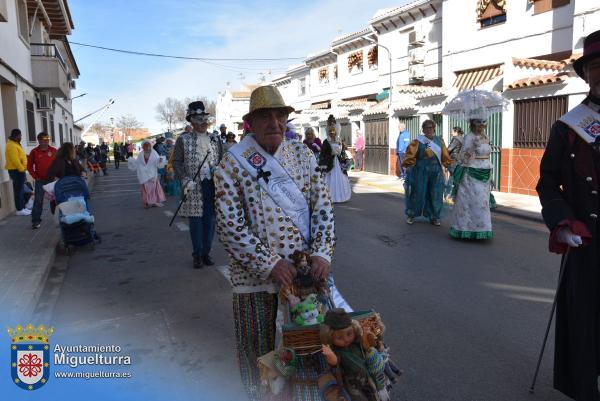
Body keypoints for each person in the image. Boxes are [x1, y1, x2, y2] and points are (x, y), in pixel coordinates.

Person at [214, 85, 334, 401]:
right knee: (257, 352)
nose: (275, 123)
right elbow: (229, 227)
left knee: (310, 349)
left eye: (280, 115)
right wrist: (270, 264)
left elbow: (322, 207)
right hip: (253, 280)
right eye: (265, 116)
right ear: (250, 123)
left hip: (304, 276)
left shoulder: (302, 154)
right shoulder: (232, 164)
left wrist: (322, 253)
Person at [536, 29, 600, 401]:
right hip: (586, 237)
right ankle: (585, 387)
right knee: (584, 317)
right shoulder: (568, 127)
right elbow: (547, 183)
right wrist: (562, 223)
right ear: (586, 74)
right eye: (596, 67)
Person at [172, 101, 221, 269]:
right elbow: (176, 162)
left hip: (212, 186)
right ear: (191, 121)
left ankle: (206, 252)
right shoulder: (183, 140)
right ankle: (197, 254)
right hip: (193, 187)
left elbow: (222, 160)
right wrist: (184, 178)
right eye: (198, 119)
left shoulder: (215, 139)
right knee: (196, 223)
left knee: (210, 221)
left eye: (204, 119)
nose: (203, 123)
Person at [448, 120, 493, 239]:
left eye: (482, 125)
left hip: (485, 172)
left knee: (483, 203)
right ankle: (466, 229)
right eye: (478, 125)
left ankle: (482, 229)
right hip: (471, 173)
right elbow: (463, 157)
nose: (480, 127)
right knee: (472, 202)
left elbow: (487, 155)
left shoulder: (485, 136)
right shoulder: (469, 137)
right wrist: (472, 148)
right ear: (473, 125)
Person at [402, 119, 452, 226]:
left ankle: (434, 216)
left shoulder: (439, 141)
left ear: (434, 128)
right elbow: (410, 156)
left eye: (431, 127)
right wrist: (409, 166)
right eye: (426, 127)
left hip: (436, 172)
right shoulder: (418, 141)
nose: (429, 129)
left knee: (436, 194)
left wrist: (450, 167)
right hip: (421, 171)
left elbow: (445, 156)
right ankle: (411, 214)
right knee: (417, 193)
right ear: (423, 129)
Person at [319, 114, 352, 203]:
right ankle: (329, 197)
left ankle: (341, 196)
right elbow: (323, 154)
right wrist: (327, 159)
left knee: (341, 179)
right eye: (330, 131)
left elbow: (342, 153)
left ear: (337, 131)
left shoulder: (339, 141)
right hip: (330, 163)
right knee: (330, 180)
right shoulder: (326, 141)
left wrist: (344, 159)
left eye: (334, 131)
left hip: (339, 163)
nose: (332, 133)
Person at [27, 133, 57, 229]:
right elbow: (29, 166)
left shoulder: (54, 151)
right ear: (39, 140)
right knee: (38, 201)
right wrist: (36, 177)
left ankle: (58, 218)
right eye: (43, 139)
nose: (46, 141)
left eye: (47, 139)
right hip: (40, 180)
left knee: (56, 199)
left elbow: (58, 164)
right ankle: (36, 221)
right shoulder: (34, 152)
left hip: (52, 180)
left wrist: (58, 176)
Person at [127, 140, 166, 208]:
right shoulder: (141, 154)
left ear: (150, 146)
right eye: (145, 145)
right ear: (143, 146)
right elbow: (137, 163)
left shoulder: (154, 153)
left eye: (148, 145)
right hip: (143, 174)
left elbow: (158, 164)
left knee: (153, 190)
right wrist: (132, 161)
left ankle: (153, 201)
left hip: (152, 174)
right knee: (145, 190)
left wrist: (160, 160)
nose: (147, 146)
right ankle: (146, 202)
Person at [4, 128, 30, 216]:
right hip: (16, 170)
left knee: (21, 189)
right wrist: (22, 169)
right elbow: (15, 159)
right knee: (18, 190)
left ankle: (23, 207)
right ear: (16, 135)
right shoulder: (11, 145)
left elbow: (20, 155)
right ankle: (19, 209)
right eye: (20, 135)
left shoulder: (15, 144)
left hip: (19, 170)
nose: (21, 137)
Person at [444, 127, 464, 200]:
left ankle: (448, 194)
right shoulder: (462, 139)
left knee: (452, 177)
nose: (451, 132)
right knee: (456, 178)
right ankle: (455, 194)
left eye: (452, 131)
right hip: (460, 161)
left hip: (453, 160)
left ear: (456, 132)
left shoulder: (456, 139)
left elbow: (449, 149)